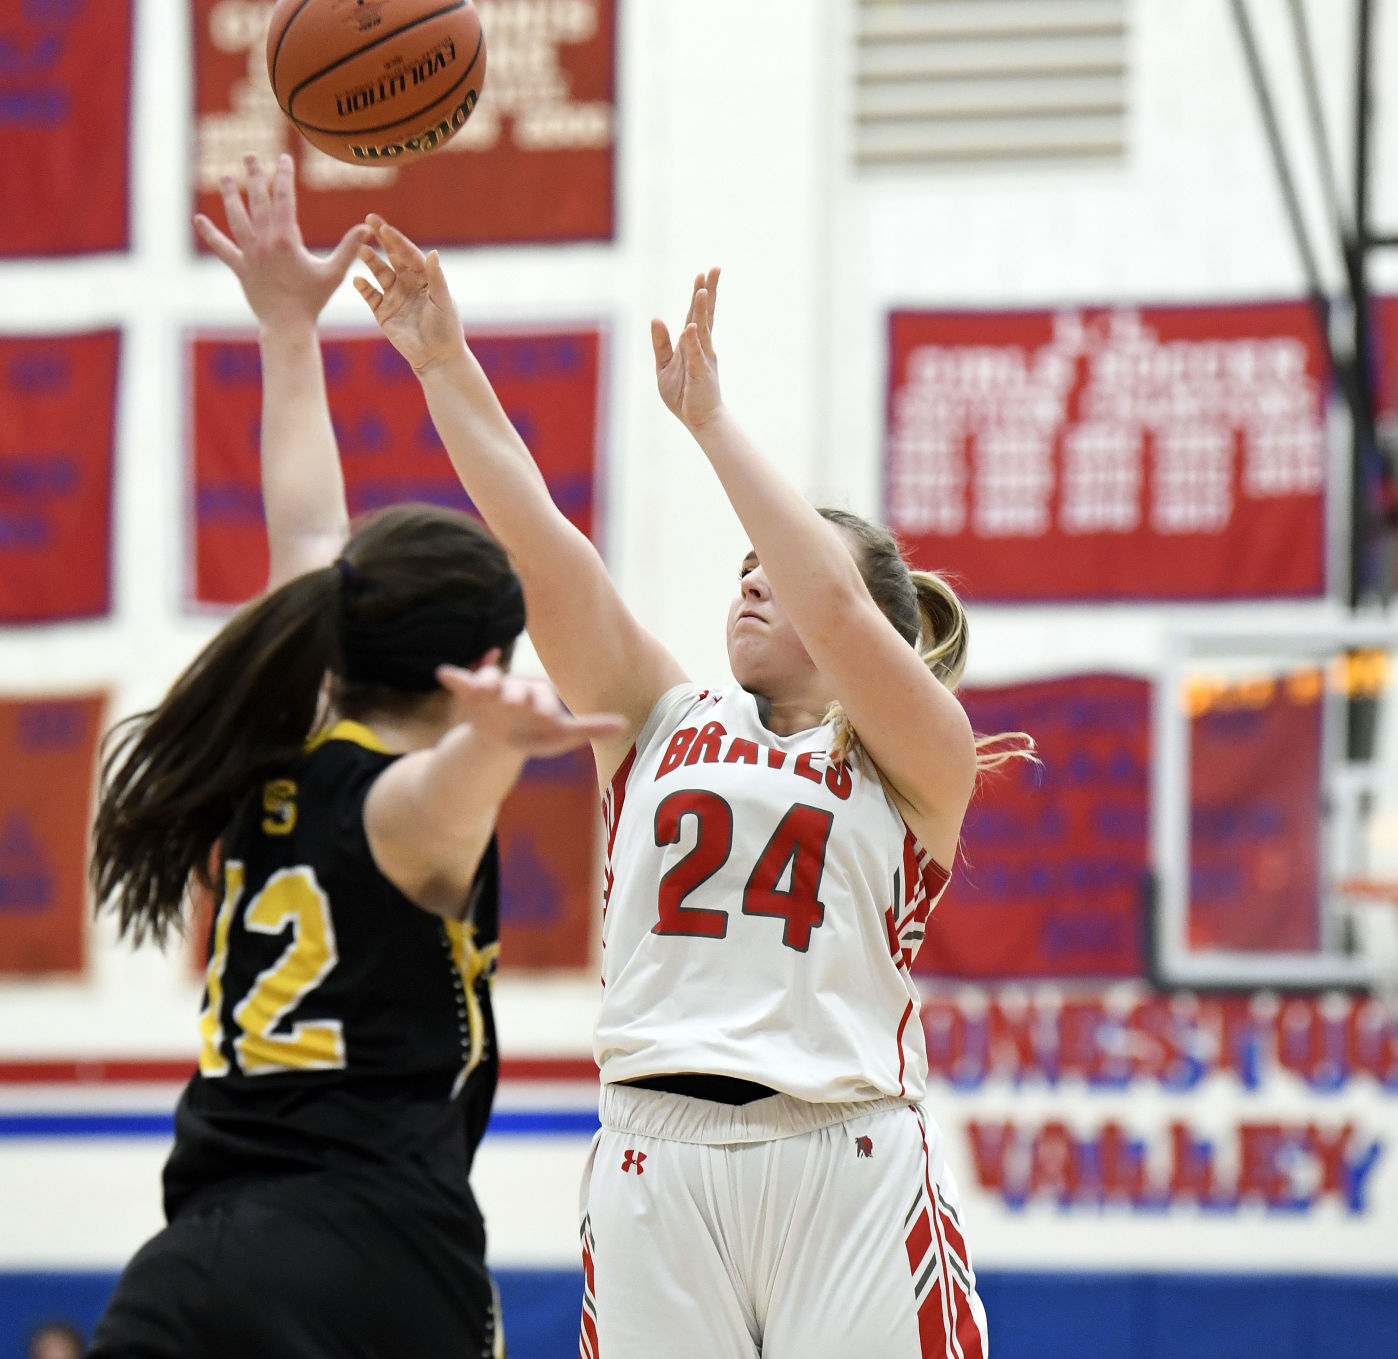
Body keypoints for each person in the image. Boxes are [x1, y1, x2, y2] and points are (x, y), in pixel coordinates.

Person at [356, 221, 1032, 1359]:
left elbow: (838, 613)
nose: (753, 583)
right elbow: (542, 541)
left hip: (846, 1154)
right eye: (741, 572)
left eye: (779, 566)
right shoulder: (657, 716)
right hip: (652, 1154)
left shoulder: (920, 754)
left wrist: (711, 425)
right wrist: (443, 363)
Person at [83, 155, 621, 1359]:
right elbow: (434, 799)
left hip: (197, 1259)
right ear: (471, 662)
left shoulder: (278, 733)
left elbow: (311, 528)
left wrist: (286, 327)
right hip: (376, 1266)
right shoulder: (406, 806)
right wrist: (493, 744)